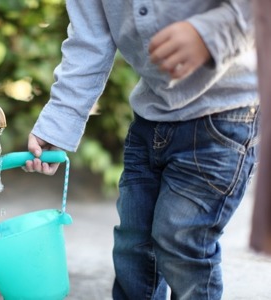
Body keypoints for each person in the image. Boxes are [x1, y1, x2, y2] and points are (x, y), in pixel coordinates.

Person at [23, 1, 260, 299]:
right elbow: (88, 42)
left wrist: (210, 33)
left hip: (225, 114)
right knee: (133, 244)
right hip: (151, 119)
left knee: (181, 240)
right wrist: (59, 123)